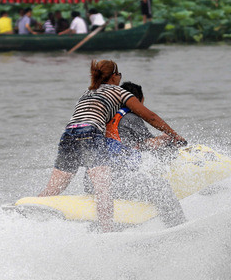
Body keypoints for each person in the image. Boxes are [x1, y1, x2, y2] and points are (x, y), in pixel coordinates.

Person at [40, 60, 185, 232]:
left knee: (54, 188)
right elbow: (151, 117)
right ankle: (109, 232)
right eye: (119, 74)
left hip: (69, 134)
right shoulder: (119, 92)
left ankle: (32, 212)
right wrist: (174, 136)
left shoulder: (88, 92)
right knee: (107, 188)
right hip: (90, 134)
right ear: (114, 76)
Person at [101, 81, 187, 228]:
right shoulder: (131, 117)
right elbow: (150, 144)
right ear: (137, 101)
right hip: (115, 182)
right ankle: (179, 227)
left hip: (94, 182)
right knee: (161, 186)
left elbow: (135, 145)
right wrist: (170, 139)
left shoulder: (106, 117)